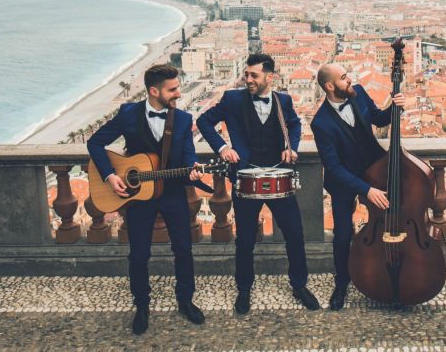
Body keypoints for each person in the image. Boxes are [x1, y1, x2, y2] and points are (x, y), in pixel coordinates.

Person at [87, 64, 205, 335]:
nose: (178, 93)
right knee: (139, 255)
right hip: (138, 196)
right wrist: (109, 176)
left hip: (173, 192)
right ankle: (141, 305)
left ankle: (185, 300)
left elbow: (188, 154)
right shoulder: (128, 114)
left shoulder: (183, 119)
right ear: (154, 91)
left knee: (183, 249)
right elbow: (95, 143)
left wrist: (193, 168)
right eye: (172, 89)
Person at [196, 53, 319, 314]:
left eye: (254, 75)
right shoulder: (232, 99)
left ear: (269, 77)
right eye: (246, 74)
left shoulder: (283, 101)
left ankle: (299, 285)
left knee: (295, 235)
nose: (248, 79)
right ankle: (244, 289)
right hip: (245, 178)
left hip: (279, 177)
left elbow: (295, 126)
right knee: (245, 240)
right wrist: (223, 148)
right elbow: (203, 121)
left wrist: (291, 147)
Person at [309, 63, 405, 310]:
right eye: (343, 77)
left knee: (390, 217)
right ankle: (341, 283)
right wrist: (366, 190)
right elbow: (334, 168)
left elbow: (379, 118)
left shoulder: (359, 92)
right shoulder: (320, 123)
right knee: (342, 234)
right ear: (330, 86)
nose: (349, 79)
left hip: (374, 167)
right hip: (344, 180)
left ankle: (389, 268)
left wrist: (395, 107)